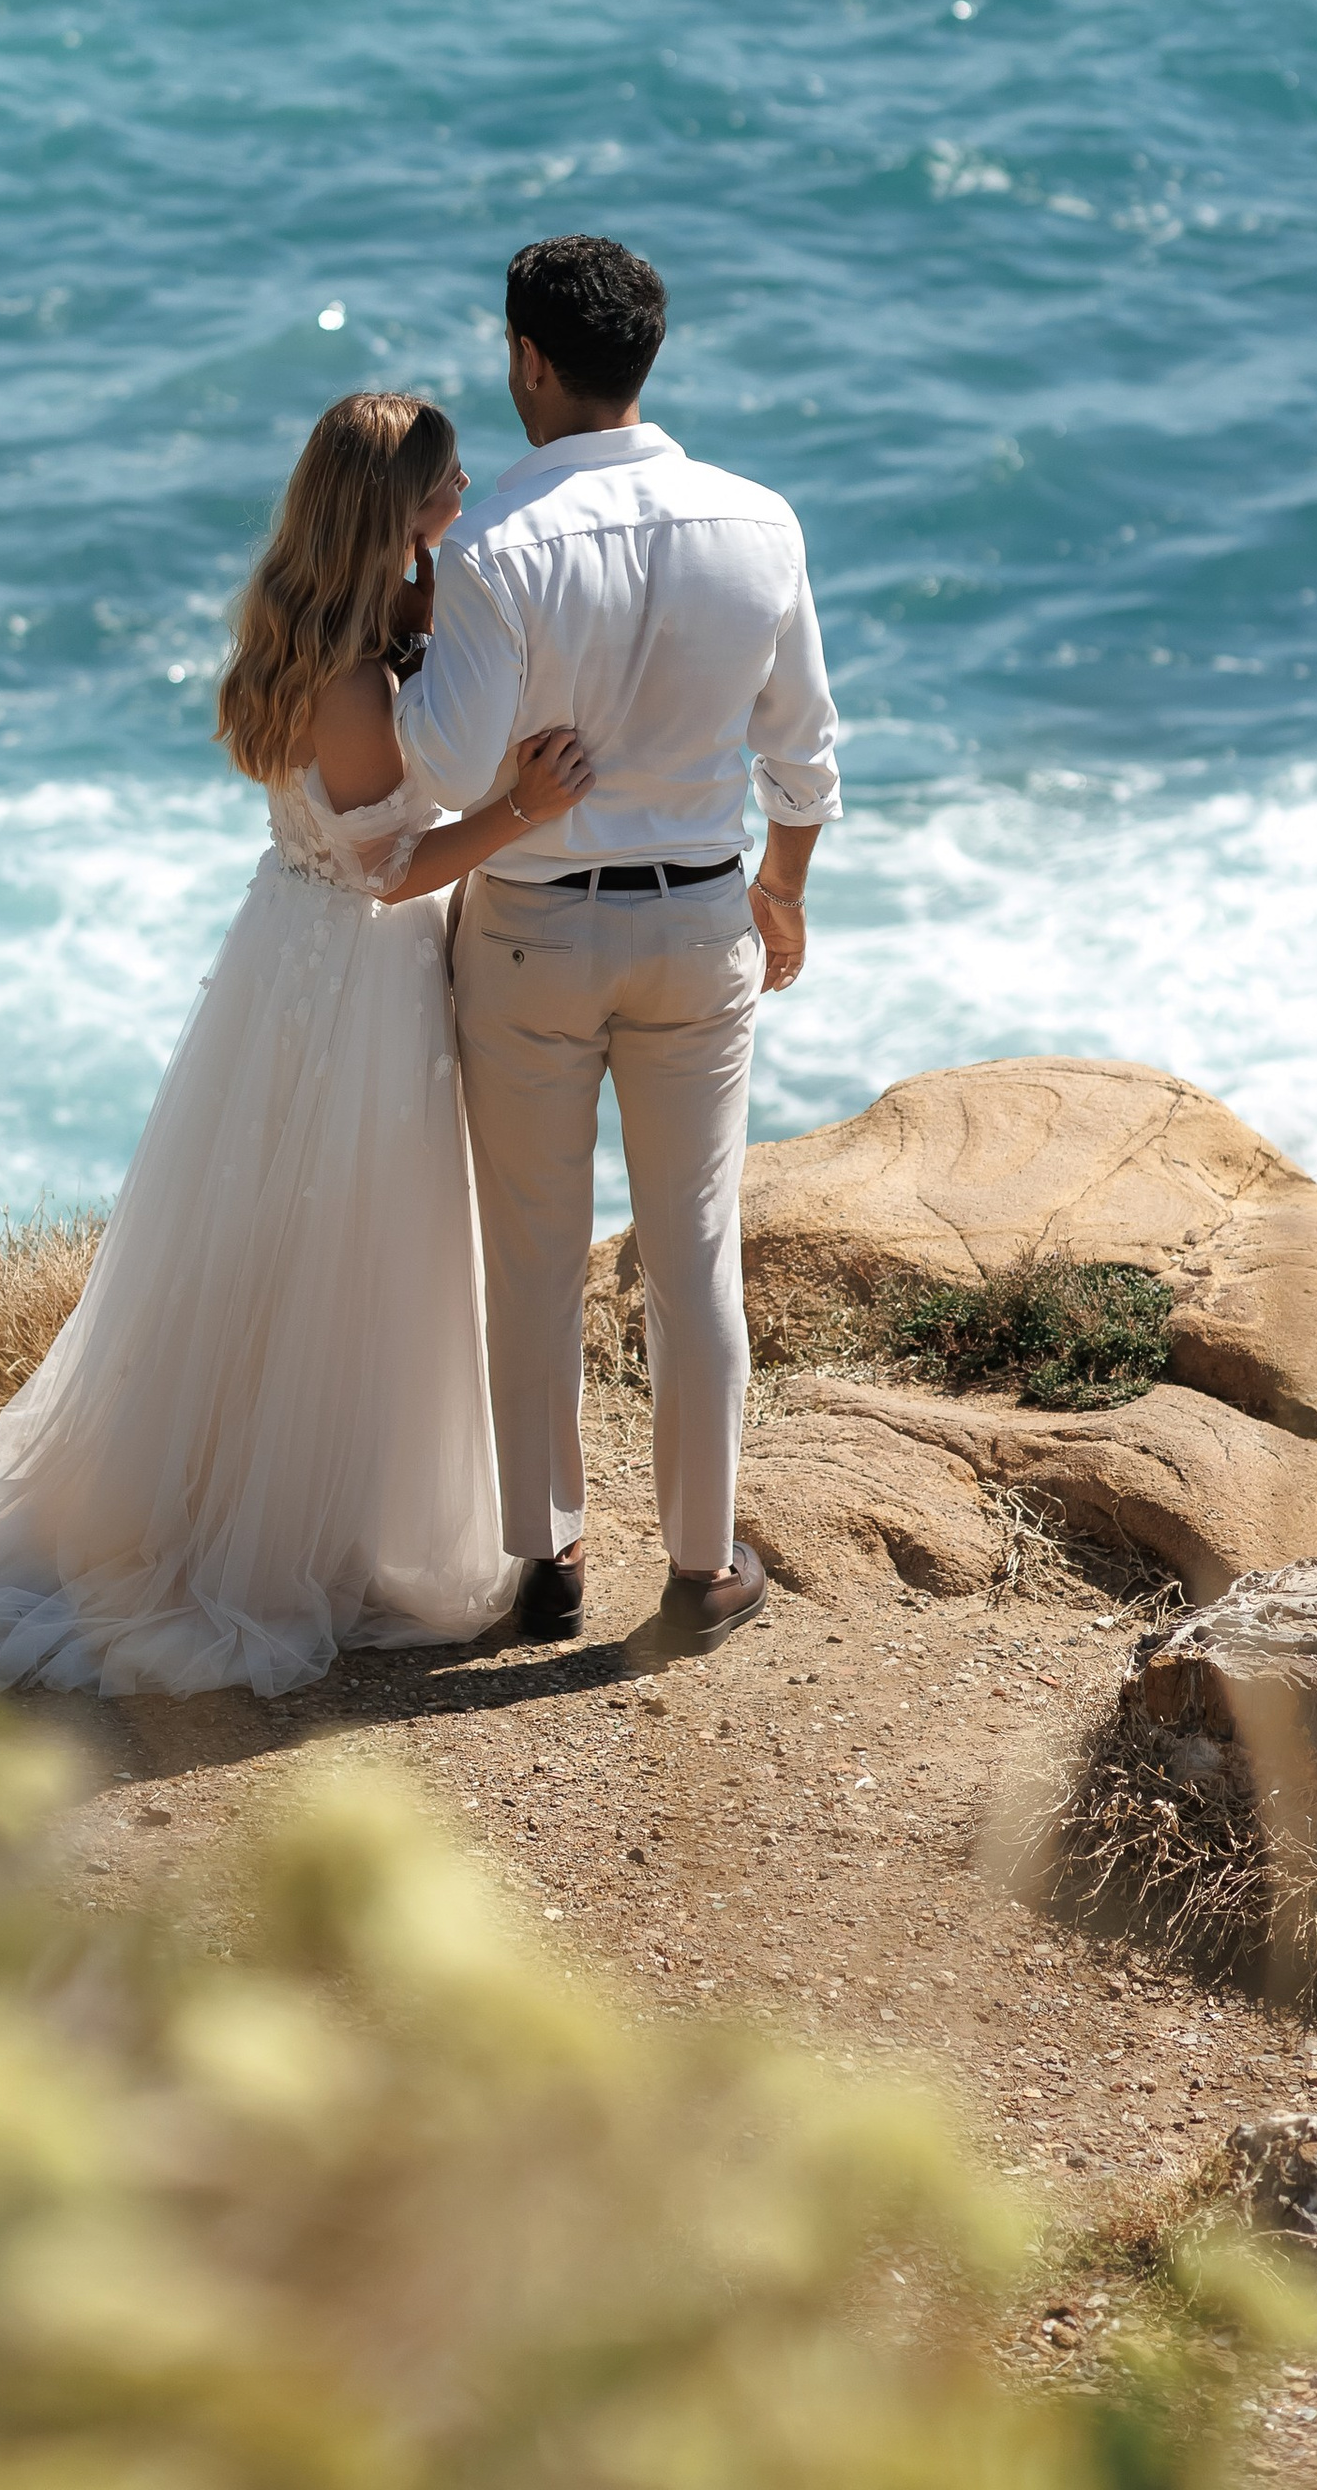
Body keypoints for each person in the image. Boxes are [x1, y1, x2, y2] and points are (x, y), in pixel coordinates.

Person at [0, 391, 593, 1699]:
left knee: (300, 1244)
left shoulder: (331, 625)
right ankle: (295, 1531)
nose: (463, 506)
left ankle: (314, 1500)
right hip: (354, 978)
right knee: (351, 1246)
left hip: (291, 956)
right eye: (443, 494)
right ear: (399, 513)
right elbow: (389, 869)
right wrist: (523, 807)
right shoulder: (349, 678)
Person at [396, 235, 840, 1657]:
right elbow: (806, 753)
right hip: (703, 920)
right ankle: (703, 1568)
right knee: (693, 1245)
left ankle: (549, 1563)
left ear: (531, 361)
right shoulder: (759, 523)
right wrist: (784, 891)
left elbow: (456, 766)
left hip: (531, 930)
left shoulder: (492, 546)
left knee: (532, 1254)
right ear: (645, 358)